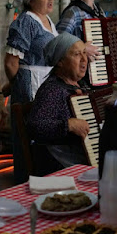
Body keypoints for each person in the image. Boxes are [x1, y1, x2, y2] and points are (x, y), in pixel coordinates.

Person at [4, 0, 58, 183]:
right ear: (31, 0)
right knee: (29, 137)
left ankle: (43, 180)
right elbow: (11, 62)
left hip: (44, 80)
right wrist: (19, 86)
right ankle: (26, 183)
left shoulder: (48, 21)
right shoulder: (26, 21)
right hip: (30, 84)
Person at [27, 32, 91, 174]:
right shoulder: (52, 89)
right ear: (60, 61)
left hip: (80, 156)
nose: (84, 59)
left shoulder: (83, 85)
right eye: (76, 54)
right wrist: (68, 125)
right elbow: (35, 126)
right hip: (59, 162)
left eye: (85, 53)